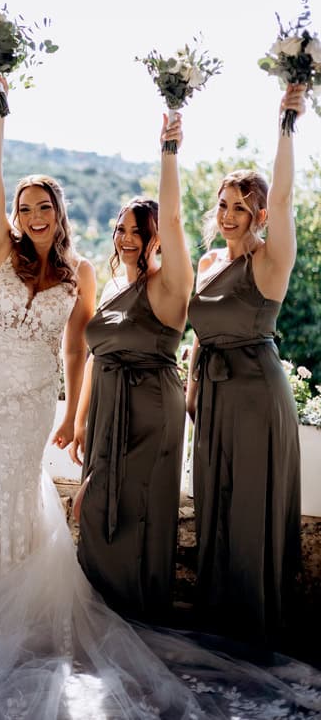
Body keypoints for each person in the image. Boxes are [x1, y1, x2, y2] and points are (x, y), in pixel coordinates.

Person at [0, 80, 321, 720]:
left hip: (45, 397)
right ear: (16, 212)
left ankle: (40, 603)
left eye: (45, 207)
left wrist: (68, 412)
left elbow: (77, 351)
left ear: (60, 213)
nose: (34, 215)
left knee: (16, 493)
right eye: (25, 206)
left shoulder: (83, 272)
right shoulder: (3, 248)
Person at [186, 84, 306, 642]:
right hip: (211, 394)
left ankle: (253, 623)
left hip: (257, 391)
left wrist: (285, 122)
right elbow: (196, 334)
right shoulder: (208, 260)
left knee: (250, 502)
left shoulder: (271, 261)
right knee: (215, 497)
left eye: (242, 207)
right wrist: (191, 392)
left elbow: (283, 199)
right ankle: (216, 615)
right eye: (224, 205)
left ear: (256, 214)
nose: (230, 215)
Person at [71, 113, 193, 622]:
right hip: (107, 410)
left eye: (137, 230)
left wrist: (168, 152)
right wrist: (80, 421)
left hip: (149, 411)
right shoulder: (114, 287)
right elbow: (96, 356)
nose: (125, 237)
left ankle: (133, 612)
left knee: (135, 510)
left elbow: (177, 221)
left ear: (156, 236)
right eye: (120, 228)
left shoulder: (169, 283)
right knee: (96, 505)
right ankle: (103, 607)